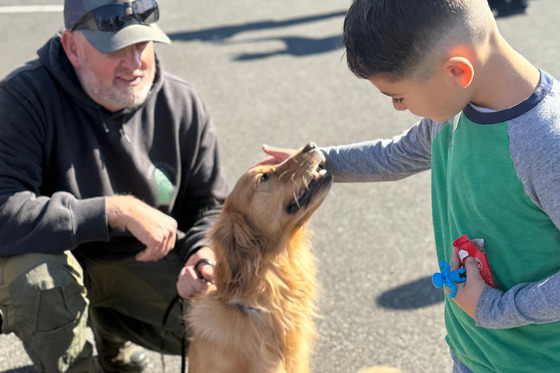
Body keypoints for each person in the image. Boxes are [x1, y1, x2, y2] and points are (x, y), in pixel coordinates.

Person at [262, 0, 560, 371]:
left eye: (398, 96)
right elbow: (397, 154)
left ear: (456, 70)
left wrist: (494, 308)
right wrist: (321, 161)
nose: (398, 108)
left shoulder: (546, 143)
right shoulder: (453, 112)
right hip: (473, 353)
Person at [0, 0, 229, 372]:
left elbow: (210, 205)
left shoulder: (181, 103)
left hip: (133, 264)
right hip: (58, 260)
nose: (134, 62)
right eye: (116, 48)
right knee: (37, 280)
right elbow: (3, 209)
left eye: (142, 44)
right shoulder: (21, 99)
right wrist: (114, 210)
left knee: (227, 309)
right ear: (72, 47)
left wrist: (203, 254)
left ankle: (110, 341)